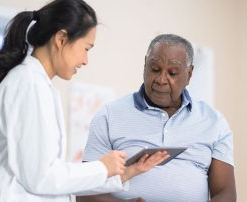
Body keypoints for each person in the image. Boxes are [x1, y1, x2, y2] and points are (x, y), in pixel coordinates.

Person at [0, 1, 170, 201]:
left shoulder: (39, 85)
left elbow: (53, 176)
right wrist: (102, 167)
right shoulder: (28, 84)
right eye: (86, 49)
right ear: (61, 39)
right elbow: (40, 177)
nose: (85, 60)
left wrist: (126, 172)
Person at [76, 34, 237, 202]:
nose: (161, 80)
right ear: (145, 65)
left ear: (189, 74)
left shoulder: (214, 122)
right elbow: (85, 192)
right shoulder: (108, 115)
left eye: (172, 73)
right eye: (155, 69)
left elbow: (226, 193)